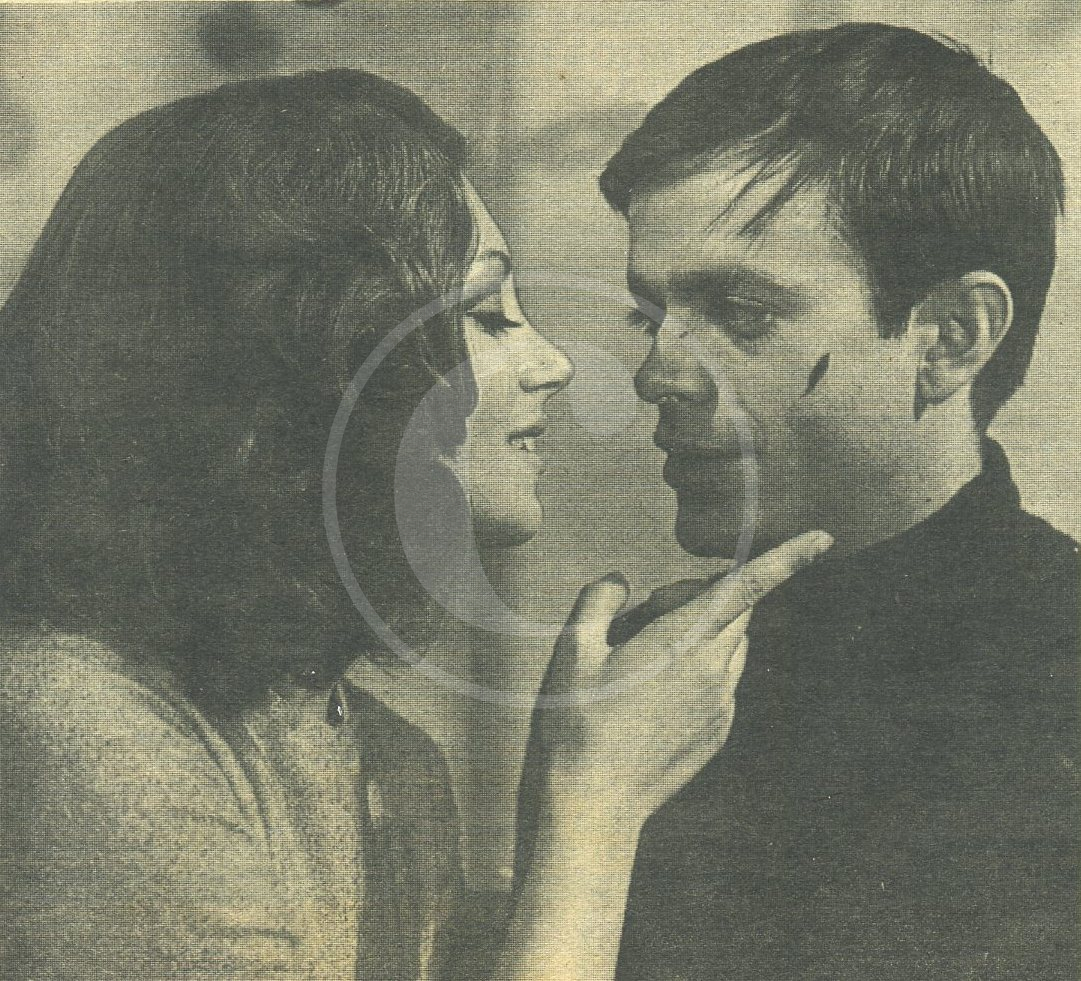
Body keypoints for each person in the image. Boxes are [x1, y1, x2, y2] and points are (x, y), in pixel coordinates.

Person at [0, 70, 831, 979]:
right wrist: (593, 803)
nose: (554, 363)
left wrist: (579, 776)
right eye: (487, 314)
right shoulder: (75, 723)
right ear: (316, 358)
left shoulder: (393, 761)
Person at [570, 22, 1079, 980]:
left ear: (951, 337)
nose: (655, 374)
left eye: (741, 313)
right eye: (651, 316)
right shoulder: (644, 674)